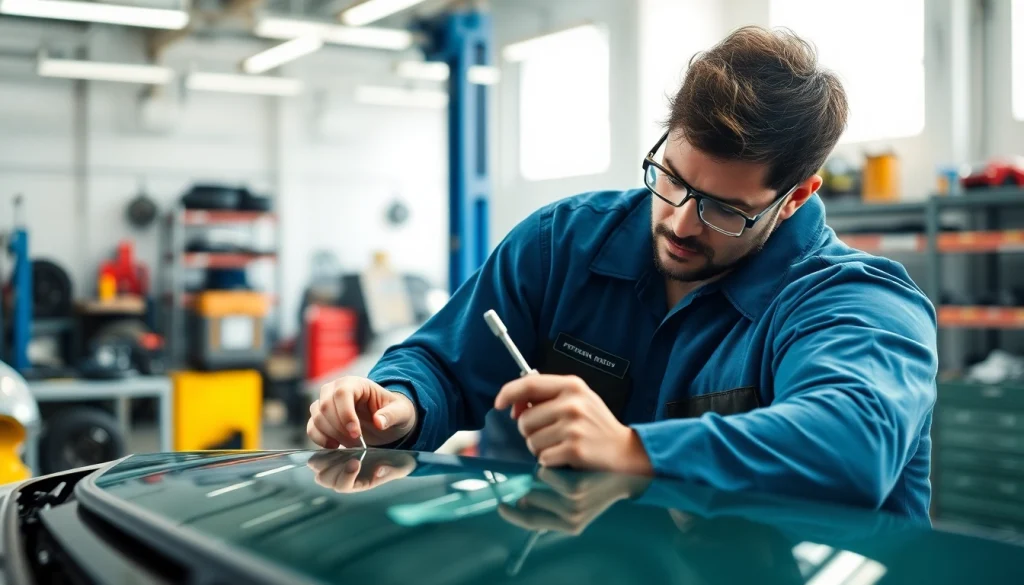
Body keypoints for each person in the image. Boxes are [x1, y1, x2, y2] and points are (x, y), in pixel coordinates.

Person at [307, 26, 938, 521]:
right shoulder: (564, 244)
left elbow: (852, 444)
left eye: (724, 209)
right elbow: (445, 364)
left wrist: (634, 454)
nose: (683, 224)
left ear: (795, 197)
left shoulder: (855, 302)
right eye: (673, 180)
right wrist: (397, 404)